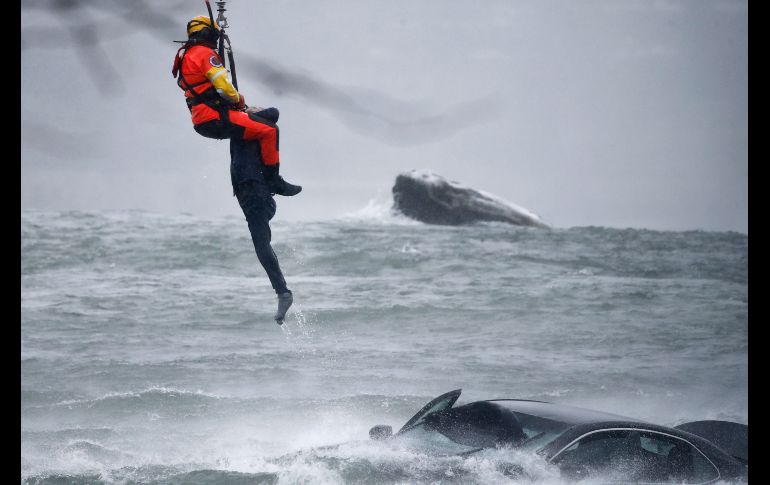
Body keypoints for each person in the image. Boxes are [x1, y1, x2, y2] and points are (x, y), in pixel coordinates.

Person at [172, 15, 301, 324]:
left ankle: (282, 291)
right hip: (227, 139)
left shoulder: (187, 56)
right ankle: (275, 179)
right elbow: (224, 86)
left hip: (206, 122)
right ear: (210, 35)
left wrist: (241, 110)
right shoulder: (205, 54)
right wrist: (241, 102)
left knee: (263, 126)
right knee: (268, 131)